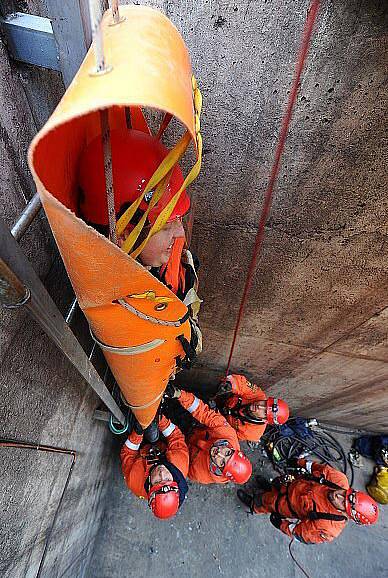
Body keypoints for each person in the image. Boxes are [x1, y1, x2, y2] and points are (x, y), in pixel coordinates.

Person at [237, 458, 379, 544]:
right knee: (275, 485)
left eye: (343, 503)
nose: (338, 496)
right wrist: (300, 463)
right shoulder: (339, 480)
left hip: (287, 505)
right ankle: (269, 488)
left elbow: (301, 534)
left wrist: (282, 524)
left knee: (266, 501)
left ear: (348, 515)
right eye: (345, 494)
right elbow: (318, 468)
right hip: (292, 485)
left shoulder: (329, 528)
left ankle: (253, 506)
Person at [167, 386, 252, 485]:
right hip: (193, 428)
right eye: (228, 453)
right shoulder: (227, 433)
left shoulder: (200, 474)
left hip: (181, 446)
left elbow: (180, 467)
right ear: (234, 450)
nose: (219, 453)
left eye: (222, 463)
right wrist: (179, 395)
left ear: (219, 470)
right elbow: (204, 412)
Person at [120, 414, 189, 519]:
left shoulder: (135, 481)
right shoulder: (180, 463)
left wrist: (137, 433)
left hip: (141, 450)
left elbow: (127, 453)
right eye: (167, 478)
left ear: (150, 487)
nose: (162, 473)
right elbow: (175, 436)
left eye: (157, 481)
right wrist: (159, 418)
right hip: (162, 443)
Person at [214, 374, 289, 442]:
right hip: (223, 400)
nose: (259, 406)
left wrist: (216, 417)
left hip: (218, 421)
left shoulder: (253, 434)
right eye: (264, 403)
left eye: (264, 411)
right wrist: (231, 384)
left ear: (264, 420)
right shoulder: (258, 395)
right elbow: (242, 384)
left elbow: (228, 436)